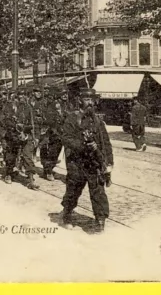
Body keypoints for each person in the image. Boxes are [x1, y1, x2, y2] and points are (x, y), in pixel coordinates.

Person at [60, 87, 113, 233]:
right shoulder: (72, 118)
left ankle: (100, 220)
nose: (89, 103)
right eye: (86, 99)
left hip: (94, 162)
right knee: (73, 189)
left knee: (98, 192)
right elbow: (66, 138)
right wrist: (83, 146)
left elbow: (106, 143)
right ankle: (67, 213)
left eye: (91, 100)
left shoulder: (98, 122)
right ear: (80, 100)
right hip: (76, 162)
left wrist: (109, 163)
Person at [42, 87, 68, 181]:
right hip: (55, 132)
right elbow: (49, 119)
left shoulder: (68, 105)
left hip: (66, 132)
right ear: (59, 95)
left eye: (66, 94)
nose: (65, 95)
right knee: (53, 153)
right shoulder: (53, 105)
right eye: (63, 94)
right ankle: (48, 171)